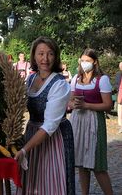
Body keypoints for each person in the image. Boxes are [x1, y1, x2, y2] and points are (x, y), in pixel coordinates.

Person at [15, 36, 75, 195]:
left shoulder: (59, 84)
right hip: (33, 134)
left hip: (54, 138)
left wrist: (24, 150)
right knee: (33, 181)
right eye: (41, 53)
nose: (45, 58)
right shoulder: (31, 78)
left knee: (51, 184)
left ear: (55, 57)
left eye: (50, 54)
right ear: (34, 56)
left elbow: (49, 125)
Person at [68, 48, 113, 195]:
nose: (84, 63)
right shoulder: (76, 78)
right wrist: (72, 104)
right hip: (78, 122)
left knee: (98, 165)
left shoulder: (102, 79)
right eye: (82, 60)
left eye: (87, 61)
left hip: (94, 122)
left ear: (95, 62)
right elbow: (70, 100)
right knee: (81, 163)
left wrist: (87, 105)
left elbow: (108, 105)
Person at [115, 62, 122, 133]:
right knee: (120, 111)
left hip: (120, 94)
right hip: (120, 94)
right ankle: (120, 126)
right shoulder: (118, 74)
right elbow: (117, 85)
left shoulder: (118, 74)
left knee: (120, 111)